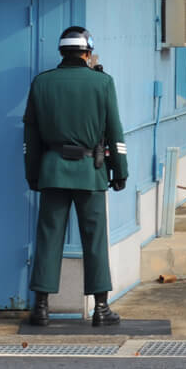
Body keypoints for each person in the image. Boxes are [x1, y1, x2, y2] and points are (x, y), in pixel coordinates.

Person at [24, 26, 129, 327]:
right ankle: (100, 308)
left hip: (52, 170)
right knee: (94, 239)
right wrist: (120, 171)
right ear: (86, 53)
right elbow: (114, 131)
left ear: (62, 52)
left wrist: (32, 174)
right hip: (90, 172)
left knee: (48, 237)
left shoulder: (41, 83)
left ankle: (41, 307)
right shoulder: (103, 82)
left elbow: (31, 135)